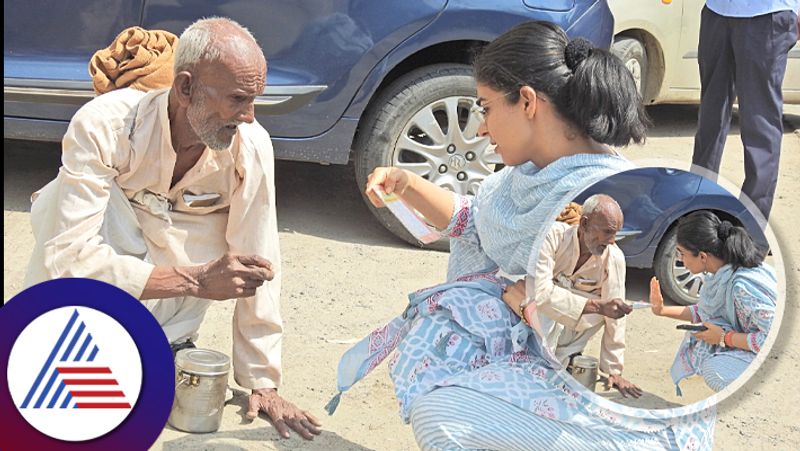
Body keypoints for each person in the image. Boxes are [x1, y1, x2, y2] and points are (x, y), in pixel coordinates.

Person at [332, 21, 714, 450]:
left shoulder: (592, 190)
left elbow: (583, 310)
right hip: (519, 358)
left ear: (528, 102)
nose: (480, 129)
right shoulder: (527, 175)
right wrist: (408, 185)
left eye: (486, 108)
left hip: (552, 375)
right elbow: (475, 222)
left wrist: (529, 303)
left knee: (442, 416)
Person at [23, 18, 321, 440]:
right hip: (107, 270)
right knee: (58, 205)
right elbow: (67, 256)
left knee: (206, 241)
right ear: (185, 89)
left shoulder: (250, 145)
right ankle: (49, 337)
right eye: (237, 99)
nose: (249, 116)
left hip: (170, 294)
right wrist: (195, 280)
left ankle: (164, 344)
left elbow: (259, 259)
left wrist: (263, 381)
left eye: (254, 100)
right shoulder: (105, 125)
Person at [501, 194, 642, 398]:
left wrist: (614, 370)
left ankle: (557, 364)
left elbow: (615, 316)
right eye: (607, 232)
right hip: (539, 315)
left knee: (601, 315)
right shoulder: (552, 236)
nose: (611, 240)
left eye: (615, 233)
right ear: (584, 224)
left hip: (573, 328)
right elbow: (541, 292)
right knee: (540, 305)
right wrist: (594, 305)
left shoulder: (614, 257)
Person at [691, 0, 799, 221]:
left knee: (759, 126)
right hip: (717, 11)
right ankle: (696, 215)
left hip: (767, 13)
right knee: (710, 121)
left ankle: (749, 229)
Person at [649, 211, 776, 393]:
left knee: (714, 371)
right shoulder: (724, 274)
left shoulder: (742, 288)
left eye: (682, 254)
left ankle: (764, 394)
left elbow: (771, 340)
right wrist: (661, 310)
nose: (680, 260)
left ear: (702, 256)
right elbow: (705, 311)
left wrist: (724, 338)